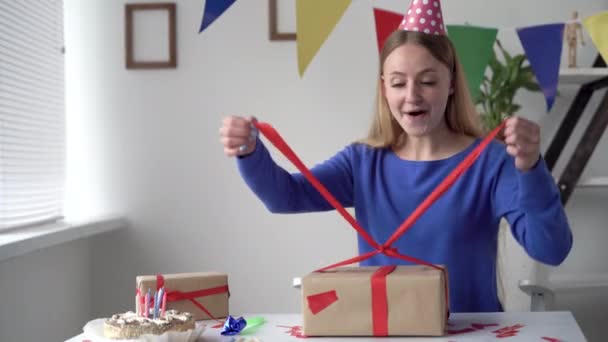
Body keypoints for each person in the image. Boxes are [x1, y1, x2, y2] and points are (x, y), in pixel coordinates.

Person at [219, 0, 572, 313]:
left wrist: (530, 168)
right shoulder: (362, 162)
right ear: (383, 87)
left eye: (428, 81)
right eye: (399, 82)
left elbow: (551, 249)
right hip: (384, 332)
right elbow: (285, 196)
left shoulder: (491, 163)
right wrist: (250, 152)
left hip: (471, 333)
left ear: (451, 84)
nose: (412, 96)